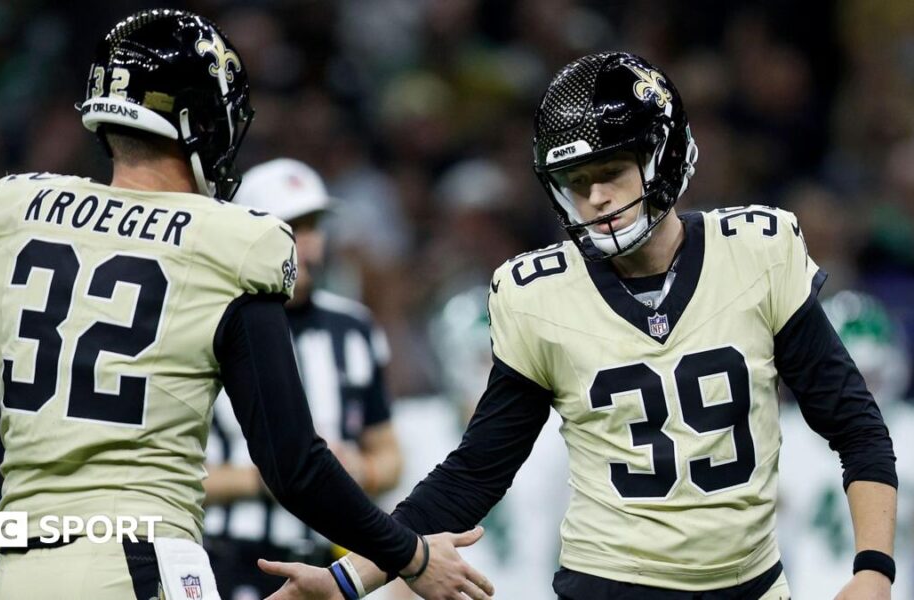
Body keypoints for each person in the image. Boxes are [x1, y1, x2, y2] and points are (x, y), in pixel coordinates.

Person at [260, 51, 898, 600]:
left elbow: (856, 426)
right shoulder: (539, 296)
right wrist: (351, 579)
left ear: (664, 156)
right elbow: (474, 473)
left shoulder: (757, 253)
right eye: (575, 182)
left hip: (755, 585)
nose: (594, 198)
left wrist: (873, 571)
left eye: (611, 173)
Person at [0, 10, 493, 600]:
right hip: (144, 562)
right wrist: (411, 556)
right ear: (201, 123)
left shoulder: (19, 217)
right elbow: (293, 465)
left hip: (23, 570)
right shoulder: (232, 243)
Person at [203, 158, 404, 599]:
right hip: (229, 558)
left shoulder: (353, 327)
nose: (308, 247)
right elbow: (172, 472)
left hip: (327, 565)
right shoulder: (207, 322)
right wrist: (276, 476)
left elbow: (389, 455)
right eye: (292, 228)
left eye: (314, 227)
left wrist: (359, 471)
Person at [778, 290, 913, 599]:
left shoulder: (908, 432)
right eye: (849, 377)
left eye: (869, 377)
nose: (858, 392)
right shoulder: (783, 435)